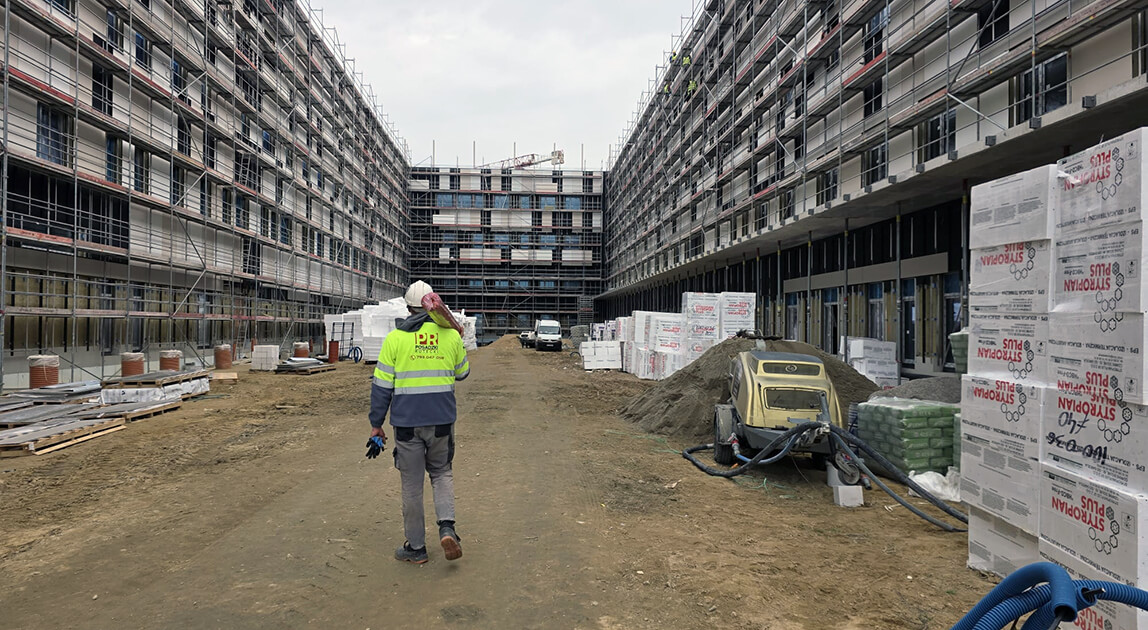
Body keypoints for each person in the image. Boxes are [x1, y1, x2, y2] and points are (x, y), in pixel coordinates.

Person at [369, 280, 470, 564]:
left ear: (409, 308)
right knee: (441, 474)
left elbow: (381, 387)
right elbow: (463, 373)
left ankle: (416, 548)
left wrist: (377, 424)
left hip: (406, 425)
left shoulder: (395, 339)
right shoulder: (450, 336)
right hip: (441, 422)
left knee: (412, 485)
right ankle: (447, 528)